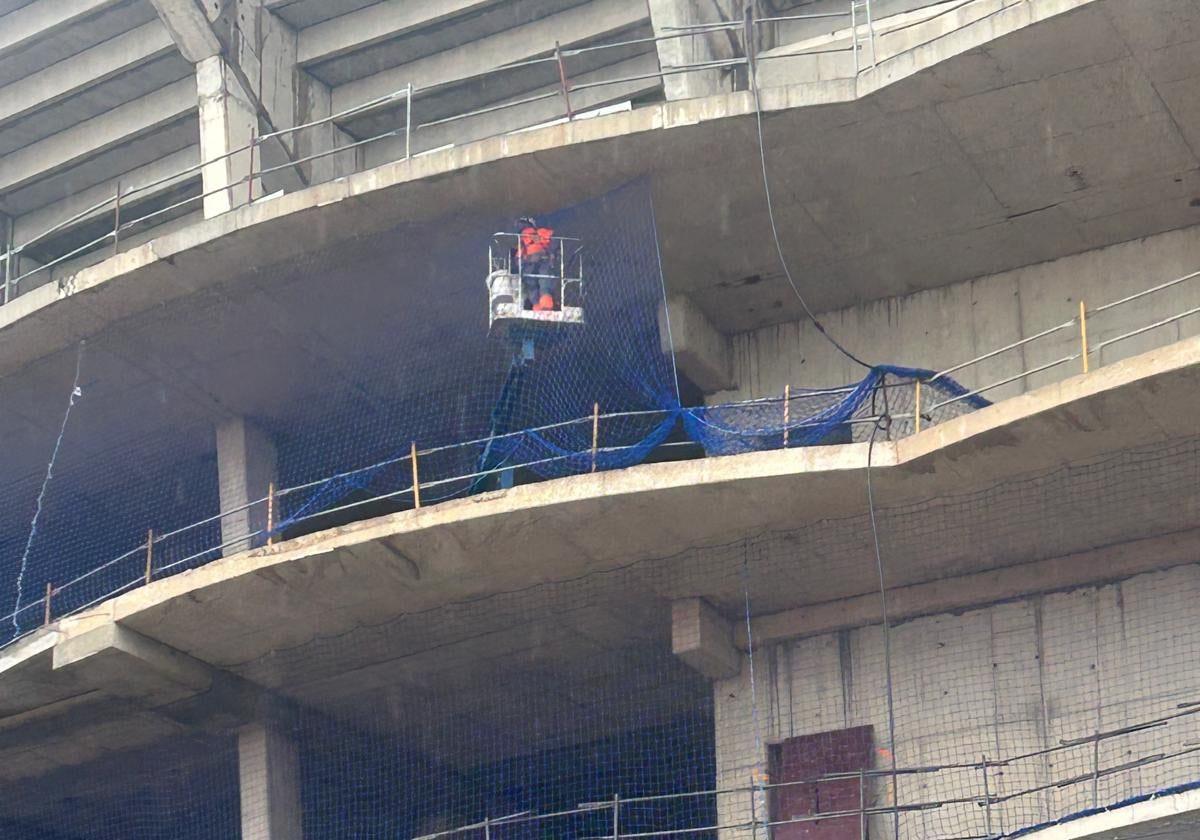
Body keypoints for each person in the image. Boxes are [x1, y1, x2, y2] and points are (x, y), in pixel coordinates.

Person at [516, 216, 557, 311]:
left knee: (531, 285)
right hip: (544, 260)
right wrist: (552, 254)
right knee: (545, 283)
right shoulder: (542, 232)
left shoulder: (522, 237)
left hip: (530, 263)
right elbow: (553, 238)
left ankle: (537, 307)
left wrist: (519, 264)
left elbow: (520, 255)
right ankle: (546, 305)